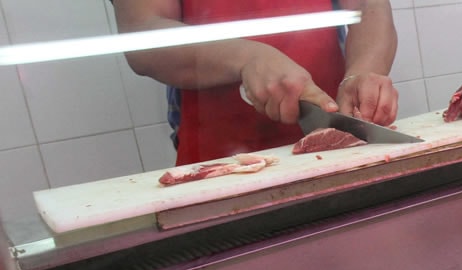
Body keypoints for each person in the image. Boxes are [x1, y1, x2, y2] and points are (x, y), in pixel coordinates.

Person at [113, 0, 398, 165]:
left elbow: (368, 5)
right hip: (225, 161)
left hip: (337, 136)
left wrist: (363, 72)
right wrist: (247, 58)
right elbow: (142, 35)